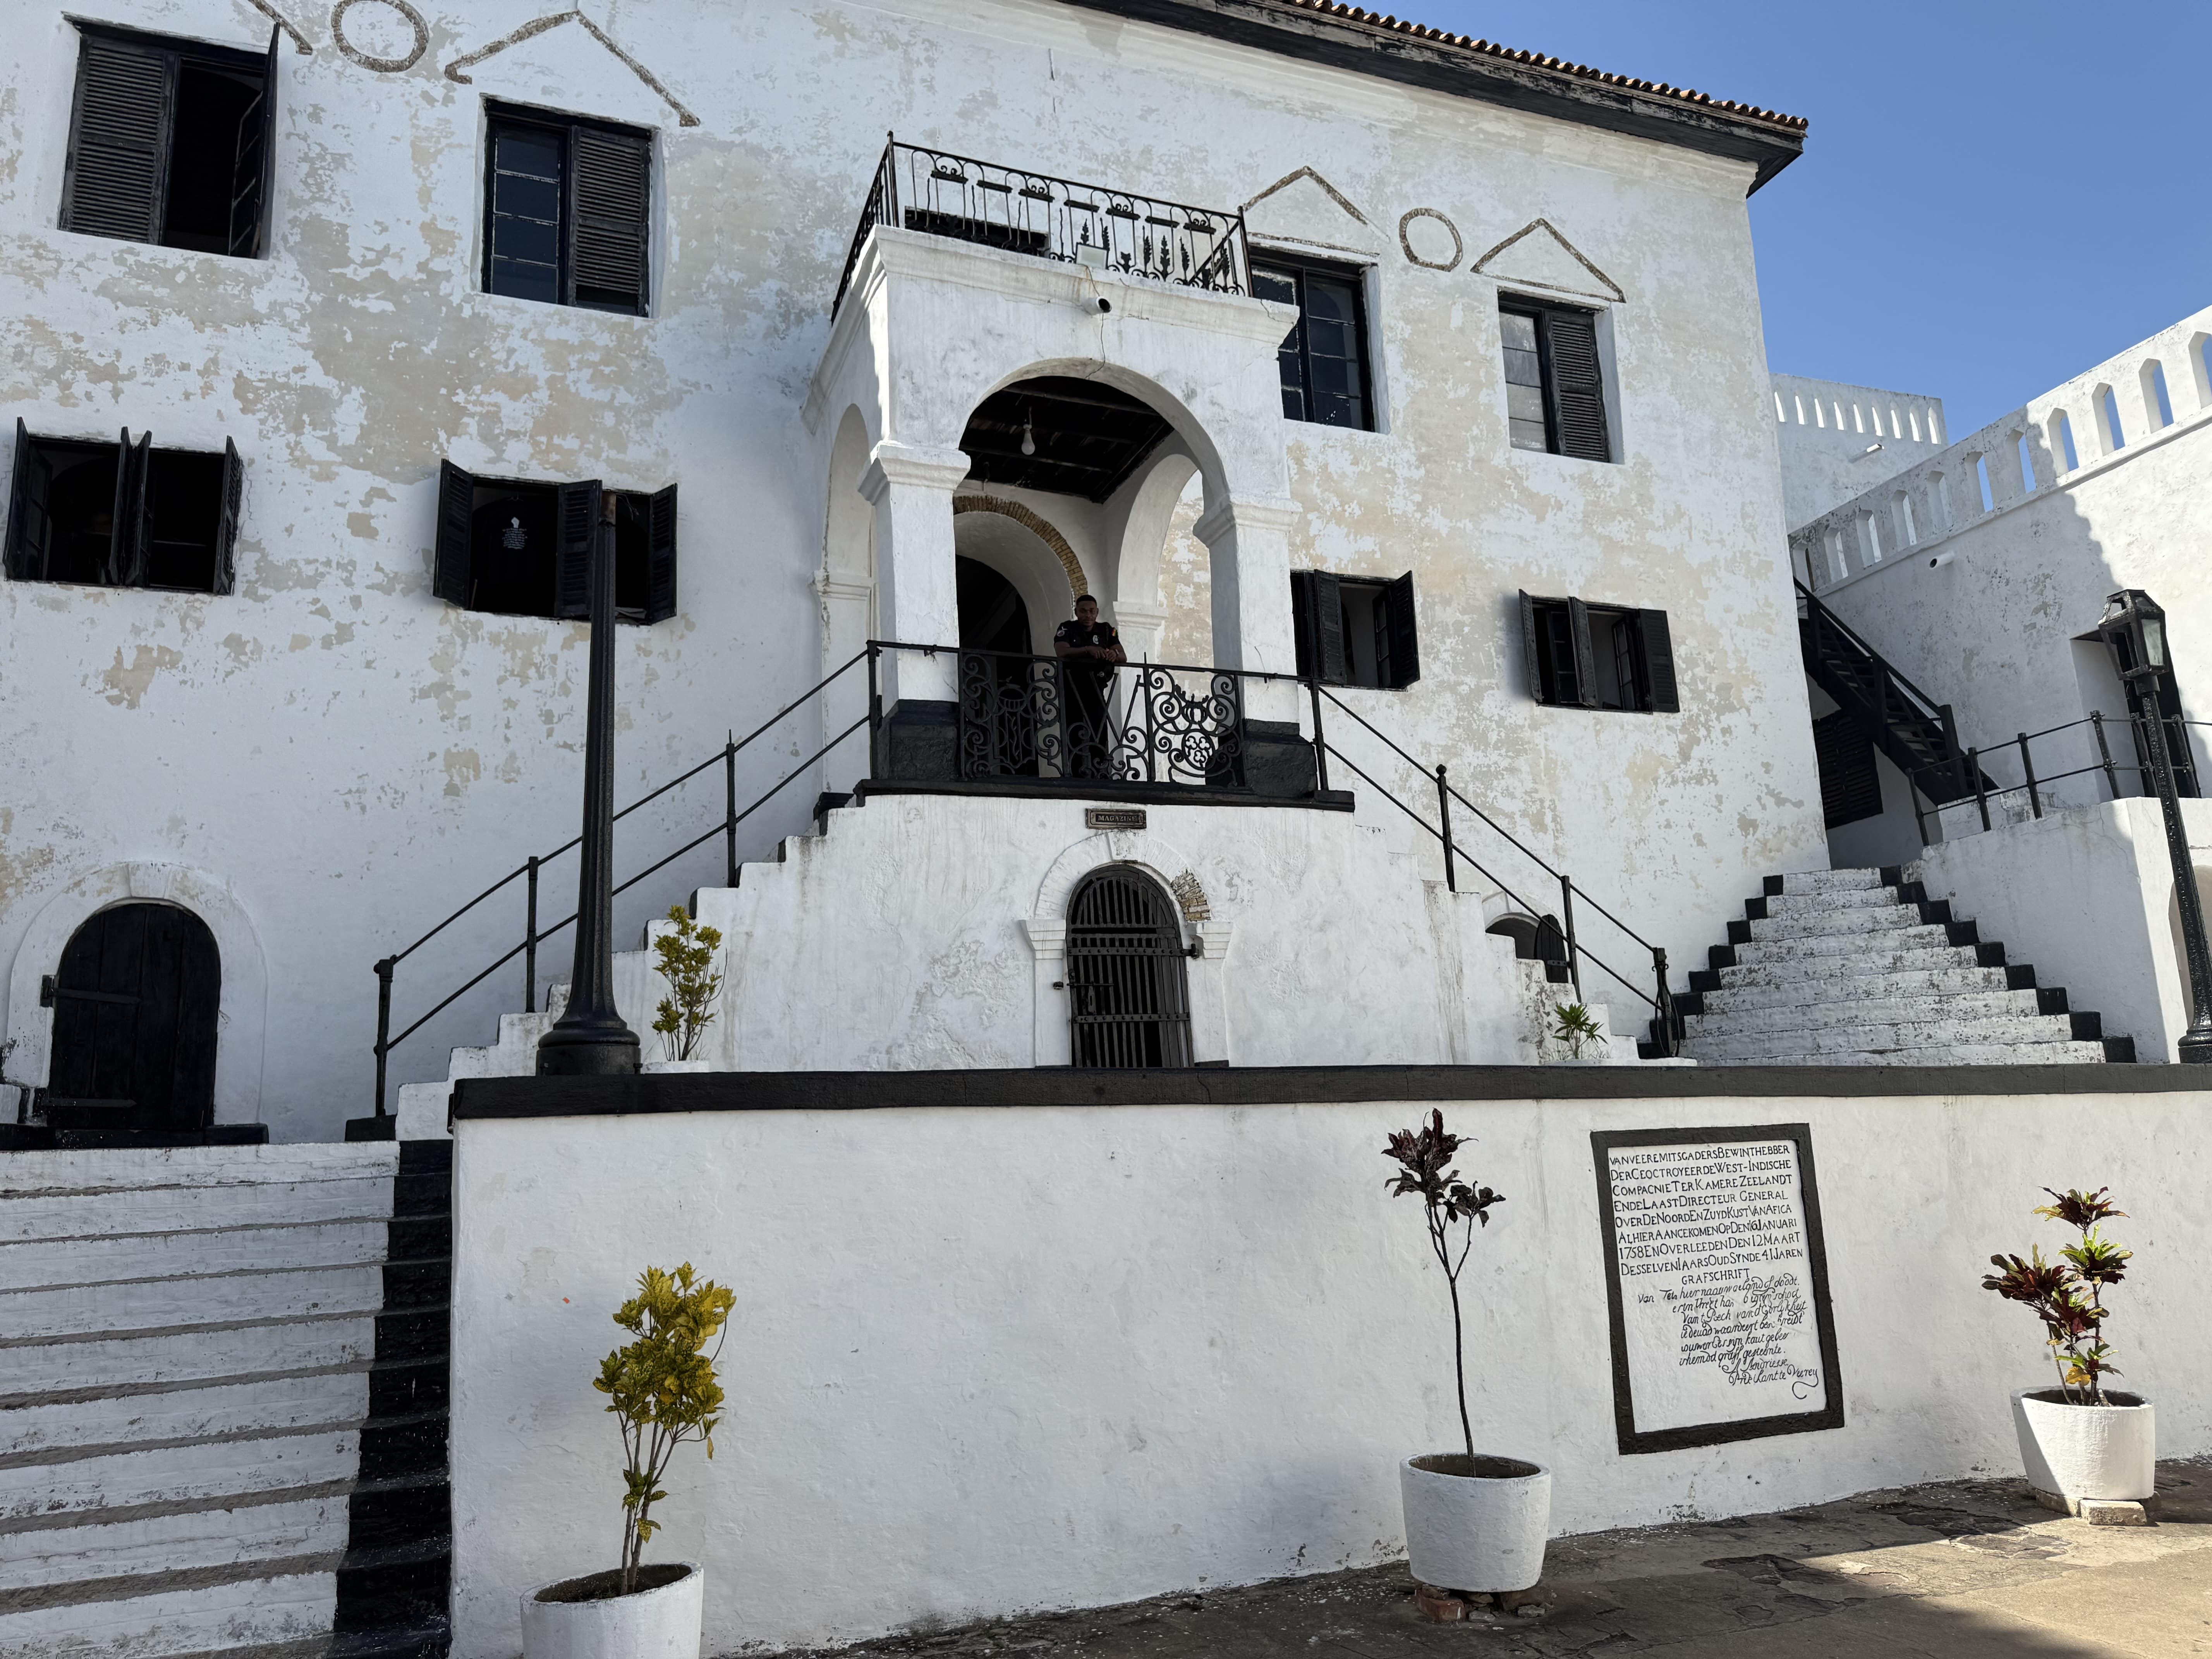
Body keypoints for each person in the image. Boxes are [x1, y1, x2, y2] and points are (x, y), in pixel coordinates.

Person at [1053, 595, 1126, 776]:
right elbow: (1061, 651)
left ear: (1097, 612)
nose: (1088, 615)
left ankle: (1101, 771)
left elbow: (1123, 656)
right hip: (1072, 687)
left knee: (1099, 728)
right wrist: (1087, 650)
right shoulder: (1067, 628)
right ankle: (1075, 773)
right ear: (1076, 612)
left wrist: (1112, 655)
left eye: (1092, 611)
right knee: (1074, 730)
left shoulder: (1107, 630)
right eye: (1083, 611)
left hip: (1096, 687)